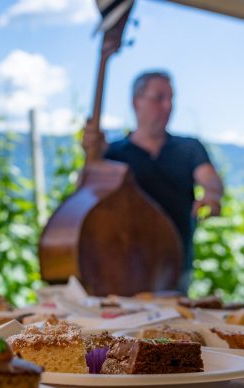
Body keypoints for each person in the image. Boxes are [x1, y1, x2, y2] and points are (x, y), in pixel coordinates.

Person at [83, 70, 224, 293]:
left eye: (171, 98)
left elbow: (210, 180)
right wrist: (93, 159)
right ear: (136, 102)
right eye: (159, 98)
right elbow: (85, 198)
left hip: (174, 266)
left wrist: (212, 197)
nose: (168, 106)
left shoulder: (189, 148)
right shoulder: (114, 153)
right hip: (121, 268)